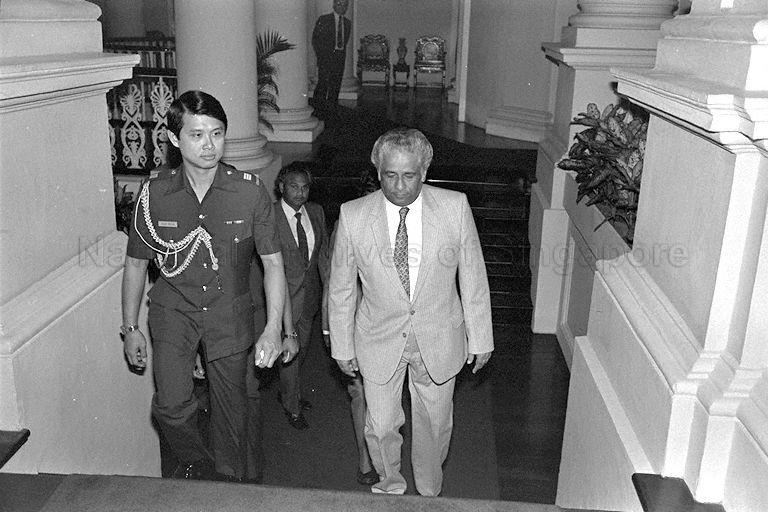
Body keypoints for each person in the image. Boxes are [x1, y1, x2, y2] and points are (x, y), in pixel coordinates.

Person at [121, 90, 287, 482]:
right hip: (172, 310)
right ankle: (200, 463)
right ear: (176, 140)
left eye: (217, 133)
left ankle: (226, 490)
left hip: (229, 313)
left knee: (232, 416)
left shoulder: (249, 191)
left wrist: (273, 328)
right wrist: (130, 328)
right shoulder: (155, 194)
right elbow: (134, 264)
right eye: (197, 135)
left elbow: (273, 263)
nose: (209, 145)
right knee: (171, 405)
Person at [328, 128, 494, 496]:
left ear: (425, 171)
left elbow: (473, 275)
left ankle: (429, 493)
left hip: (439, 334)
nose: (399, 186)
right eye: (390, 175)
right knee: (381, 425)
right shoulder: (353, 215)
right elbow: (340, 290)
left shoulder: (455, 206)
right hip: (378, 337)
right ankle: (390, 487)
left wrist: (481, 337)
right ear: (377, 171)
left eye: (409, 175)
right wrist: (341, 345)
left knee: (435, 427)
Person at [321, 172, 380, 487]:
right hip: (354, 323)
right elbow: (333, 282)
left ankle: (382, 448)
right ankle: (364, 458)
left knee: (383, 395)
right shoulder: (347, 225)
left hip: (389, 327)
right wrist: (331, 330)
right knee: (359, 392)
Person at [272, 165, 330, 430]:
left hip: (310, 298)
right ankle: (291, 407)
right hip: (283, 300)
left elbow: (323, 255)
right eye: (294, 187)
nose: (300, 192)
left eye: (305, 187)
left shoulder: (316, 213)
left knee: (301, 351)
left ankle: (288, 391)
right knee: (291, 354)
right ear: (281, 186)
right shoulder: (270, 216)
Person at [311, 0, 351, 115]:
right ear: (334, 5)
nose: (342, 7)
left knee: (336, 83)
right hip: (326, 57)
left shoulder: (348, 23)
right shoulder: (324, 20)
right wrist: (321, 56)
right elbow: (315, 40)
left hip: (339, 57)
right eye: (339, 4)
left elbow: (344, 42)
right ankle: (318, 109)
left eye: (345, 5)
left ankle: (332, 110)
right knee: (323, 83)